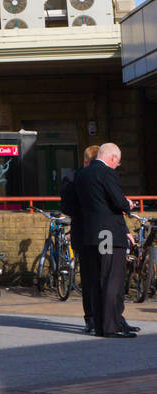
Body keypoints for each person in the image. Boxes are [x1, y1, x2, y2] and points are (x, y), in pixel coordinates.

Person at [73, 143, 136, 338]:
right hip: (108, 234)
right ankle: (111, 327)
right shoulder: (107, 173)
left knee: (96, 279)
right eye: (117, 161)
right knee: (111, 279)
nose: (117, 165)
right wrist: (129, 204)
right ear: (112, 158)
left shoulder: (82, 174)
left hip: (90, 234)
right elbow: (118, 201)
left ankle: (99, 325)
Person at [60, 144, 98, 332]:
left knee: (103, 274)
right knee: (90, 276)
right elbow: (67, 207)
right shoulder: (72, 179)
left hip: (102, 234)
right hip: (84, 234)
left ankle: (105, 315)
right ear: (86, 162)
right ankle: (90, 317)